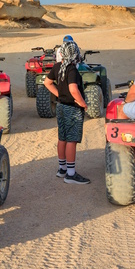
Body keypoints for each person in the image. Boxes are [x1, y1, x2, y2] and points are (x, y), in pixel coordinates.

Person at [43, 40, 91, 184]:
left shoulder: (57, 66)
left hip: (61, 106)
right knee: (72, 139)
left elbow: (47, 82)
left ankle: (62, 169)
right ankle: (70, 174)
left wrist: (58, 94)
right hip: (72, 108)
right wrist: (83, 104)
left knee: (62, 137)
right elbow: (73, 89)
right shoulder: (72, 69)